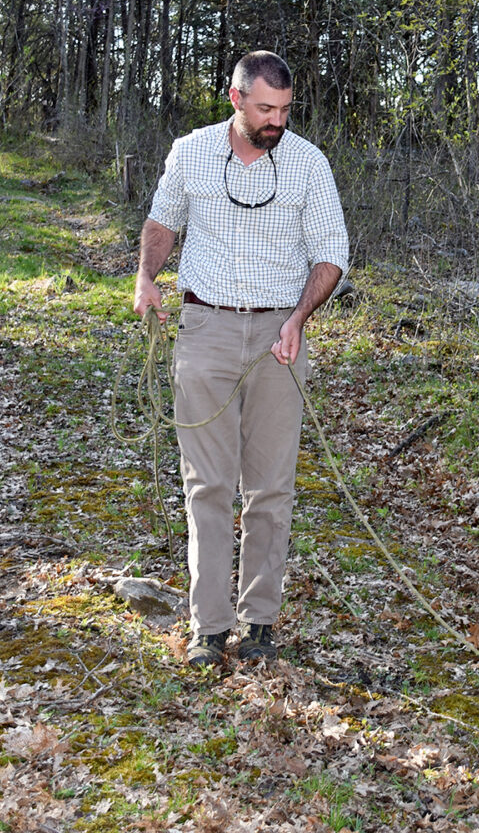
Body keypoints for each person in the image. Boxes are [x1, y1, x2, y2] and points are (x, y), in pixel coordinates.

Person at [132, 50, 348, 667]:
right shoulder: (192, 151)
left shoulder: (308, 163)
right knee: (208, 487)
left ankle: (259, 624)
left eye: (284, 109)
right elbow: (162, 222)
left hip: (281, 336)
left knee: (271, 489)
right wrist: (148, 276)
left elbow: (333, 252)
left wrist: (298, 321)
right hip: (205, 330)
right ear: (235, 99)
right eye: (264, 108)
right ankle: (209, 627)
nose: (276, 119)